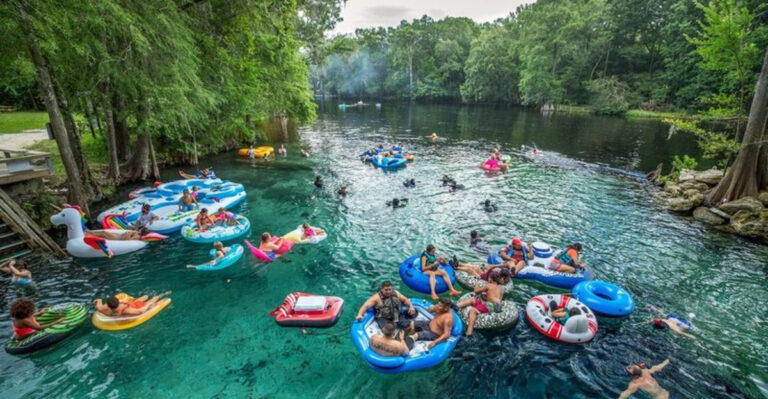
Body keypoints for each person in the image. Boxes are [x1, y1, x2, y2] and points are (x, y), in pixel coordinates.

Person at [455, 270, 508, 336]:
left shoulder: (489, 285)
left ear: (490, 279)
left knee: (473, 311)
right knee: (472, 300)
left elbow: (476, 291)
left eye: (488, 278)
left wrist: (477, 285)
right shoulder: (501, 288)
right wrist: (486, 297)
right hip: (497, 306)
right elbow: (497, 298)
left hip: (492, 306)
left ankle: (469, 333)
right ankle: (456, 306)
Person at [94, 292, 171, 317]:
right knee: (147, 299)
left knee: (149, 300)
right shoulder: (124, 309)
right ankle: (161, 294)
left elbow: (140, 311)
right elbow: (140, 311)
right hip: (133, 304)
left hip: (135, 305)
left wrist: (148, 305)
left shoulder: (105, 310)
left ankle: (162, 294)